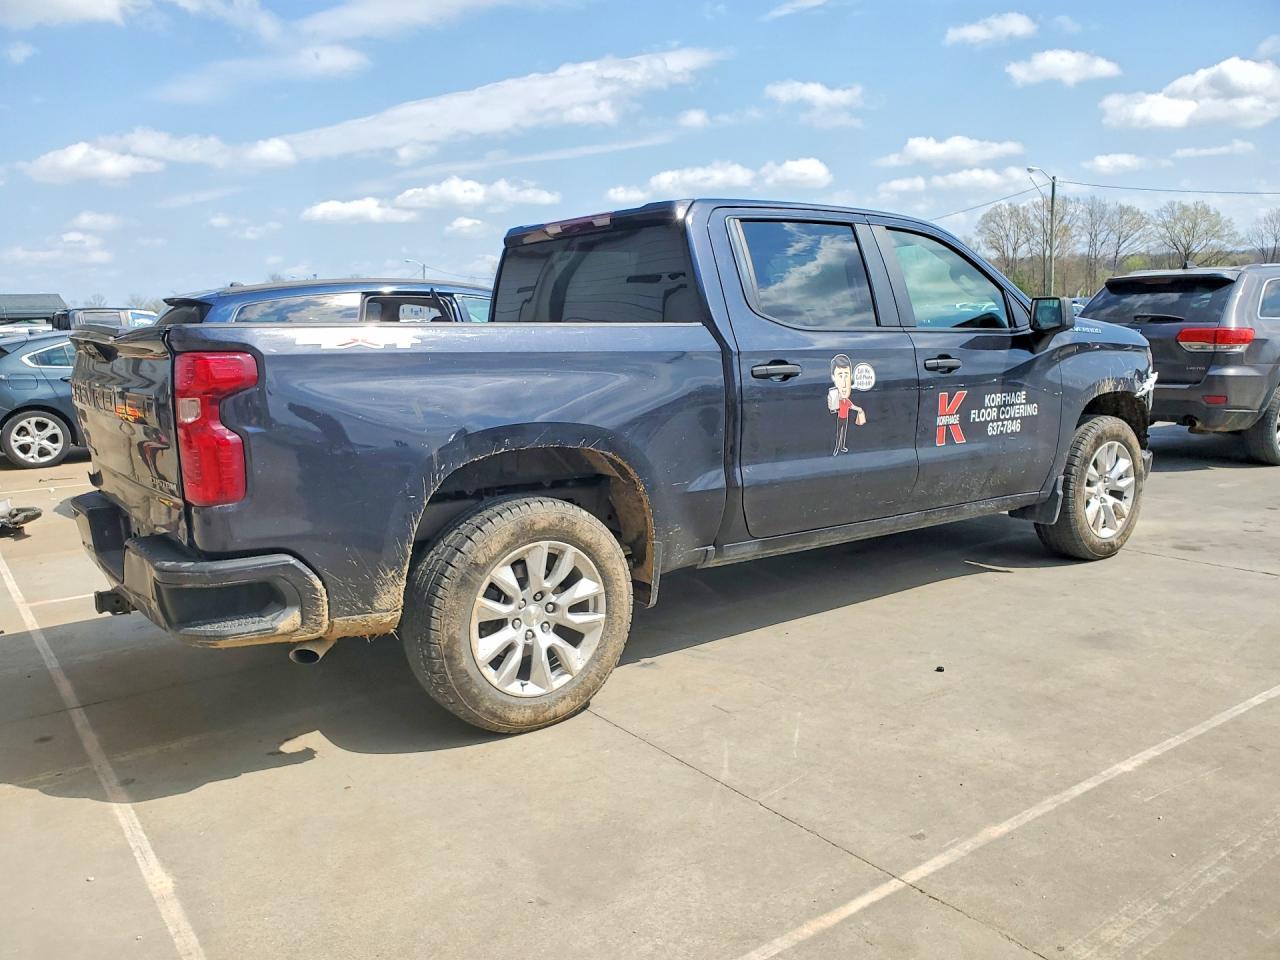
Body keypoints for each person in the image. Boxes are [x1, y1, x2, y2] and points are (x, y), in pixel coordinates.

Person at [827, 354, 866, 456]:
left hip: (845, 419)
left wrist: (860, 410)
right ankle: (836, 448)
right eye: (840, 376)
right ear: (833, 377)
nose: (844, 383)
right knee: (838, 433)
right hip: (840, 419)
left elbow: (852, 407)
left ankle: (842, 446)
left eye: (847, 376)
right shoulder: (838, 399)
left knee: (844, 434)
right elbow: (833, 407)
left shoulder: (847, 401)